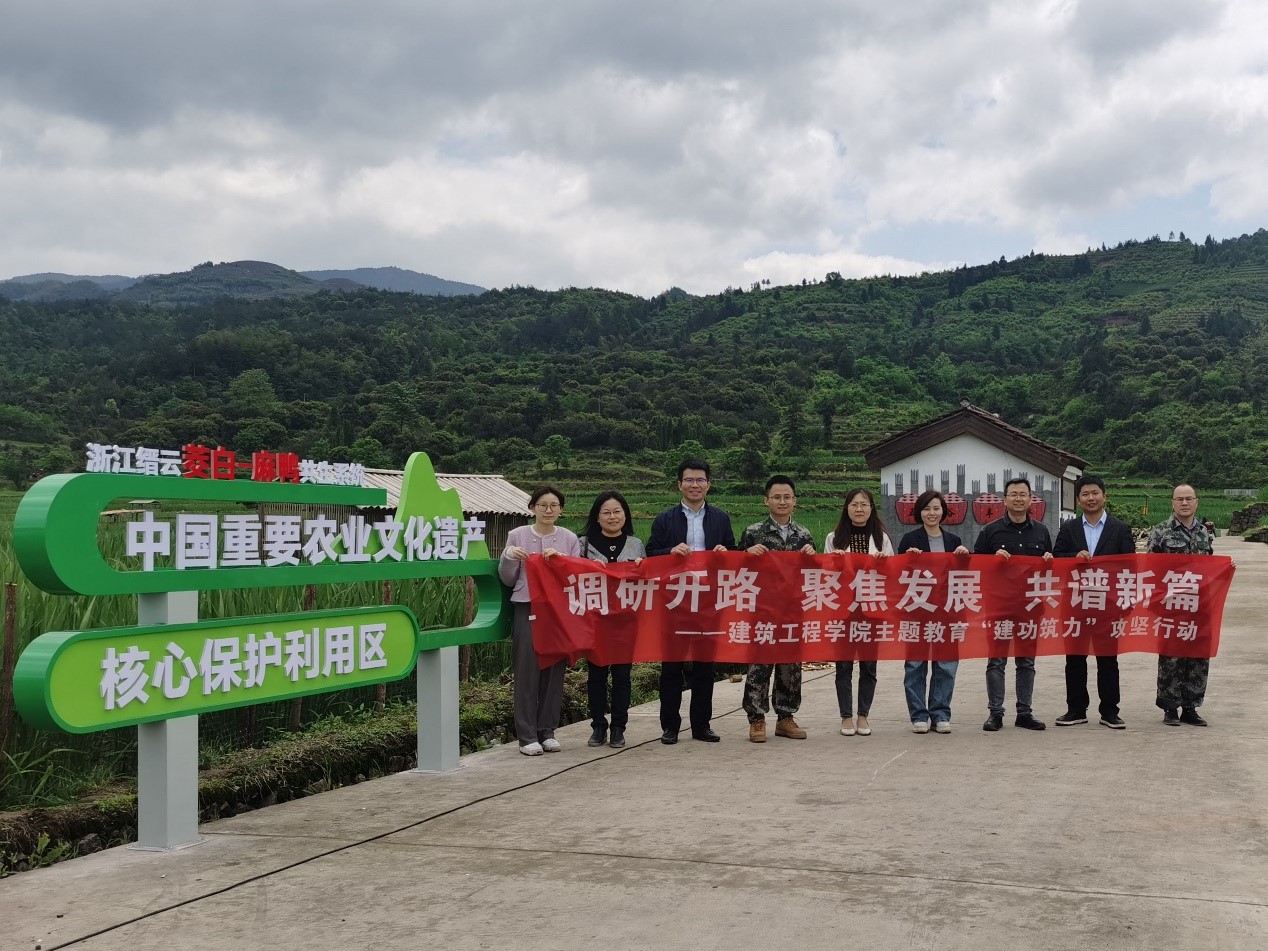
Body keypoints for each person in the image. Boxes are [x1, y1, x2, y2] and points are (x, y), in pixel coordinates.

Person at [647, 457, 736, 744]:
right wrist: (669, 551)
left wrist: (724, 552)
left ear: (709, 484)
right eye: (689, 480)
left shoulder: (720, 518)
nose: (694, 485)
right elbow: (650, 554)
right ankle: (670, 726)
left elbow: (733, 553)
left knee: (704, 667)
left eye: (700, 480)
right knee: (671, 667)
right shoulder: (665, 519)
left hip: (708, 601)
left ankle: (701, 725)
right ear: (679, 485)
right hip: (675, 600)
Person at [499, 485, 580, 755]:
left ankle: (547, 731)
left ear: (561, 510)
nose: (548, 510)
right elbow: (508, 579)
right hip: (527, 606)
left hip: (557, 611)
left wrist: (561, 561)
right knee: (527, 669)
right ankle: (527, 736)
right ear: (532, 508)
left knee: (555, 670)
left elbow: (575, 576)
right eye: (542, 505)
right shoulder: (517, 535)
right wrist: (509, 557)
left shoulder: (569, 538)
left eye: (554, 505)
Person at [1053, 475, 1136, 729]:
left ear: (1104, 496)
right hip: (1075, 604)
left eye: (1095, 493)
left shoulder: (1120, 529)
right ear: (1078, 500)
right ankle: (1076, 709)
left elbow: (1130, 567)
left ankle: (1110, 711)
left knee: (1108, 659)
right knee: (1074, 659)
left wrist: (1127, 601)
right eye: (1085, 494)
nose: (1091, 498)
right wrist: (1074, 556)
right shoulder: (1068, 529)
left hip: (1108, 605)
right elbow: (1057, 559)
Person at [739, 476, 817, 743]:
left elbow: (812, 574)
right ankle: (756, 718)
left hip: (793, 611)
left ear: (795, 501)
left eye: (787, 497)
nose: (782, 502)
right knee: (759, 664)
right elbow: (735, 569)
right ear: (766, 500)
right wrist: (747, 554)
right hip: (762, 610)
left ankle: (785, 717)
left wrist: (812, 557)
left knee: (790, 665)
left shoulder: (804, 535)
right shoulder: (752, 532)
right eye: (776, 497)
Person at [974, 477, 1053, 732]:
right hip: (999, 607)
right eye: (1013, 494)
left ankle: (1024, 713)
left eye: (1023, 494)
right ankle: (995, 713)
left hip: (1030, 607)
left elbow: (1049, 572)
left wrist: (1049, 560)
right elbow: (976, 565)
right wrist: (992, 559)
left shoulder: (1041, 531)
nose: (1018, 499)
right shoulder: (990, 531)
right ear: (1004, 499)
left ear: (1031, 499)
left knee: (1026, 662)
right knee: (996, 661)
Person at [897, 489, 970, 734]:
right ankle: (919, 715)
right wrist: (908, 559)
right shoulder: (909, 540)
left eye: (936, 508)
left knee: (946, 665)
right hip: (917, 611)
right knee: (915, 665)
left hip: (947, 612)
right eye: (927, 508)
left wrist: (964, 557)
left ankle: (940, 714)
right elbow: (898, 575)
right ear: (919, 512)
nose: (932, 513)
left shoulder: (954, 541)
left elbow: (963, 577)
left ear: (943, 512)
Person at [578, 490, 646, 749]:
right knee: (596, 676)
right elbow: (571, 576)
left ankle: (618, 727)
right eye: (606, 512)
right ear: (597, 517)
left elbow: (648, 582)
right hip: (594, 621)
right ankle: (598, 726)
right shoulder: (583, 544)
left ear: (625, 515)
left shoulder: (636, 545)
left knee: (622, 676)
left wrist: (642, 567)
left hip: (625, 622)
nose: (612, 516)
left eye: (617, 511)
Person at [824, 487, 893, 736]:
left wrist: (884, 563)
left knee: (868, 667)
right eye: (854, 504)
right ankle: (846, 716)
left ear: (871, 509)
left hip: (870, 610)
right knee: (843, 666)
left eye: (864, 504)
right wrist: (835, 562)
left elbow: (892, 575)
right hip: (844, 611)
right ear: (847, 508)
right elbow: (825, 575)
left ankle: (863, 715)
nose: (859, 509)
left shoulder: (882, 539)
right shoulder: (834, 538)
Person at [1148, 484, 1215, 727]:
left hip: (1199, 606)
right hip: (1171, 606)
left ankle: (1190, 707)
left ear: (1196, 501)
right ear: (1172, 503)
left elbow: (1210, 566)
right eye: (1179, 499)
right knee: (1171, 657)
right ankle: (1170, 707)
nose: (1184, 503)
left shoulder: (1204, 533)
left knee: (1197, 656)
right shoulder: (1160, 532)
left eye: (1189, 498)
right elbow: (1150, 569)